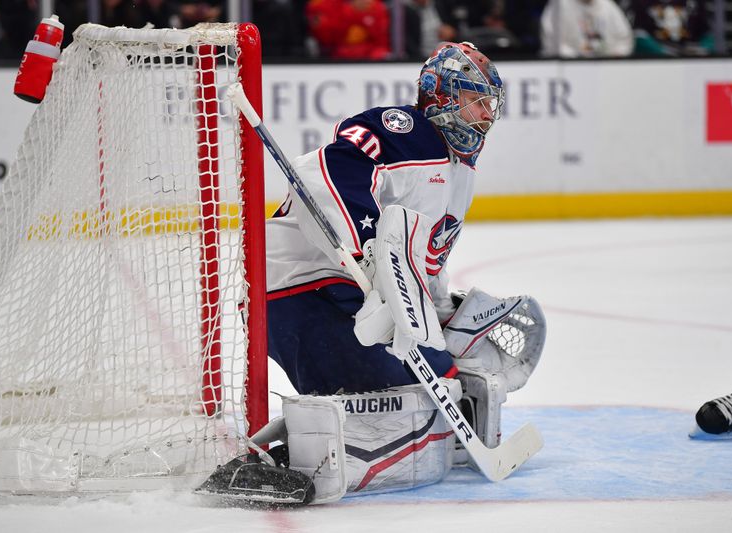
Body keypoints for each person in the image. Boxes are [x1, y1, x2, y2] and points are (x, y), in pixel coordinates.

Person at [201, 42, 546, 505]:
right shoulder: (407, 132)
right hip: (299, 289)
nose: (485, 114)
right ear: (440, 95)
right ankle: (273, 463)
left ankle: (304, 442)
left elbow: (424, 265)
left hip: (357, 300)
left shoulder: (460, 175)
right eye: (475, 99)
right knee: (394, 406)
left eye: (490, 104)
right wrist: (366, 256)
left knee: (425, 387)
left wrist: (439, 332)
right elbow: (321, 172)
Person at [540, 0, 634, 57]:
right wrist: (579, 60)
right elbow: (553, 44)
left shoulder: (607, 5)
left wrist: (616, 55)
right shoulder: (559, 5)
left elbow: (624, 38)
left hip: (606, 69)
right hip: (571, 69)